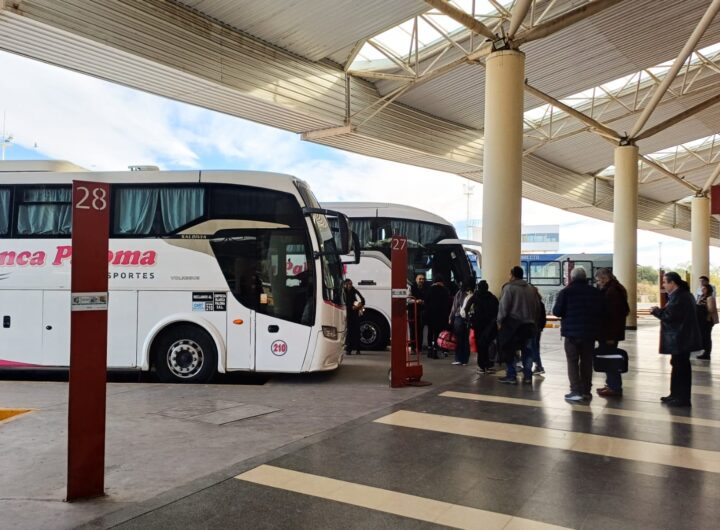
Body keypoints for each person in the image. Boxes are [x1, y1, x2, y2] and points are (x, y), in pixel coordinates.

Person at [552, 267, 604, 402]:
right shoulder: (595, 292)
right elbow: (602, 312)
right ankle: (586, 391)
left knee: (572, 361)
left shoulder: (566, 292)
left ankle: (575, 391)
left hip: (571, 334)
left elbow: (557, 311)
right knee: (587, 362)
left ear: (572, 278)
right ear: (585, 277)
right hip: (589, 334)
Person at [651, 271, 702, 407]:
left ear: (672, 283)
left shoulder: (680, 297)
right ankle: (675, 394)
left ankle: (682, 398)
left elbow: (671, 317)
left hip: (681, 338)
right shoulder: (682, 295)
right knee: (677, 365)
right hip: (681, 338)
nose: (663, 285)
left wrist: (656, 311)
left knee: (681, 368)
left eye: (664, 282)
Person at [496, 266, 540, 385]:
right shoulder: (531, 289)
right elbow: (537, 307)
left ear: (513, 275)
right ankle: (528, 376)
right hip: (529, 325)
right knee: (527, 351)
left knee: (509, 350)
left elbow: (503, 307)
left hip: (513, 326)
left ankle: (511, 375)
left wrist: (499, 322)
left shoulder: (509, 288)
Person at [594, 268, 630, 397]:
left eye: (598, 280)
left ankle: (614, 387)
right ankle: (610, 384)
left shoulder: (612, 292)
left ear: (604, 278)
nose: (598, 283)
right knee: (609, 357)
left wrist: (610, 336)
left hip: (609, 333)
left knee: (610, 359)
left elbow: (612, 317)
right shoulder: (616, 288)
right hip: (610, 332)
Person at [464, 280, 499, 374]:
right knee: (488, 345)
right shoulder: (492, 297)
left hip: (478, 324)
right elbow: (498, 310)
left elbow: (466, 309)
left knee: (480, 346)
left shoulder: (475, 296)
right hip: (490, 325)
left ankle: (481, 366)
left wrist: (469, 319)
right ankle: (488, 365)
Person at [424, 274, 452, 359]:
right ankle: (436, 350)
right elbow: (448, 303)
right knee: (438, 333)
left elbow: (426, 302)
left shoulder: (429, 289)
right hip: (441, 316)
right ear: (442, 281)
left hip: (430, 315)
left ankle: (430, 350)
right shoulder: (445, 290)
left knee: (430, 332)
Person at [449, 282, 473, 365]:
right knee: (466, 339)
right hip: (468, 319)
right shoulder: (472, 293)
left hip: (459, 318)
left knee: (459, 339)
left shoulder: (460, 293)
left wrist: (450, 317)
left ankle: (458, 359)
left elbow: (454, 306)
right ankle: (465, 360)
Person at [342, 279, 365, 355]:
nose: (350, 285)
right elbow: (343, 302)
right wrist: (350, 307)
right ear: (345, 285)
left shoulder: (354, 291)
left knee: (356, 331)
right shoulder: (343, 292)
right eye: (348, 284)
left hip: (354, 313)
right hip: (347, 313)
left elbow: (362, 300)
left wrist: (357, 306)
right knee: (350, 331)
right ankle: (349, 349)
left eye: (351, 284)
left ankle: (357, 349)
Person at [696, 283, 717, 360]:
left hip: (707, 320)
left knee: (707, 337)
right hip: (701, 320)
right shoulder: (701, 297)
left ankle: (707, 353)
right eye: (702, 288)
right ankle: (705, 352)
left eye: (704, 288)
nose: (702, 290)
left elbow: (711, 309)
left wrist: (701, 307)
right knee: (704, 336)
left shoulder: (710, 298)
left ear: (708, 289)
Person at [408, 273, 428, 353]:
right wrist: (416, 301)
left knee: (420, 330)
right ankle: (413, 348)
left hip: (421, 312)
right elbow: (408, 300)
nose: (421, 280)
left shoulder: (426, 288)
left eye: (423, 279)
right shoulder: (411, 287)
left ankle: (419, 348)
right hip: (412, 311)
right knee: (412, 330)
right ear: (416, 279)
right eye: (420, 279)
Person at [530, 284, 547, 376]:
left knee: (533, 348)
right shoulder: (540, 303)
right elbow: (544, 318)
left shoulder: (531, 303)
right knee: (536, 347)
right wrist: (541, 327)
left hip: (533, 328)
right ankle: (538, 366)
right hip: (538, 329)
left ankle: (539, 366)